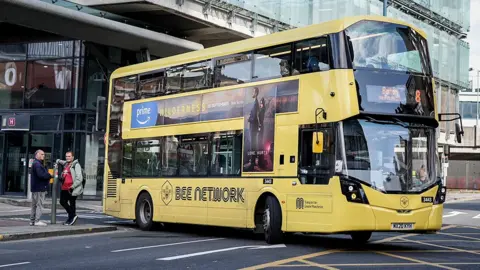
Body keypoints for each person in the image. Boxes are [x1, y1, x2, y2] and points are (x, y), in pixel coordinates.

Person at [56, 152, 84, 225]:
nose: (67, 157)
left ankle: (71, 218)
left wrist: (72, 187)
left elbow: (79, 178)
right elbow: (61, 162)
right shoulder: (66, 164)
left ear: (73, 157)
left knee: (72, 203)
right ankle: (72, 216)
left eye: (69, 156)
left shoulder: (76, 165)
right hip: (64, 187)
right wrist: (58, 161)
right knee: (62, 201)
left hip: (72, 188)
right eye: (66, 156)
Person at [30, 149, 53, 226]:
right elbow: (41, 175)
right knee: (39, 205)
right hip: (39, 188)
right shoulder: (37, 164)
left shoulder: (36, 163)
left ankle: (32, 221)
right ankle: (37, 221)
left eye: (44, 154)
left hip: (35, 188)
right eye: (42, 154)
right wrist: (49, 175)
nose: (43, 156)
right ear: (37, 155)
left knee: (34, 205)